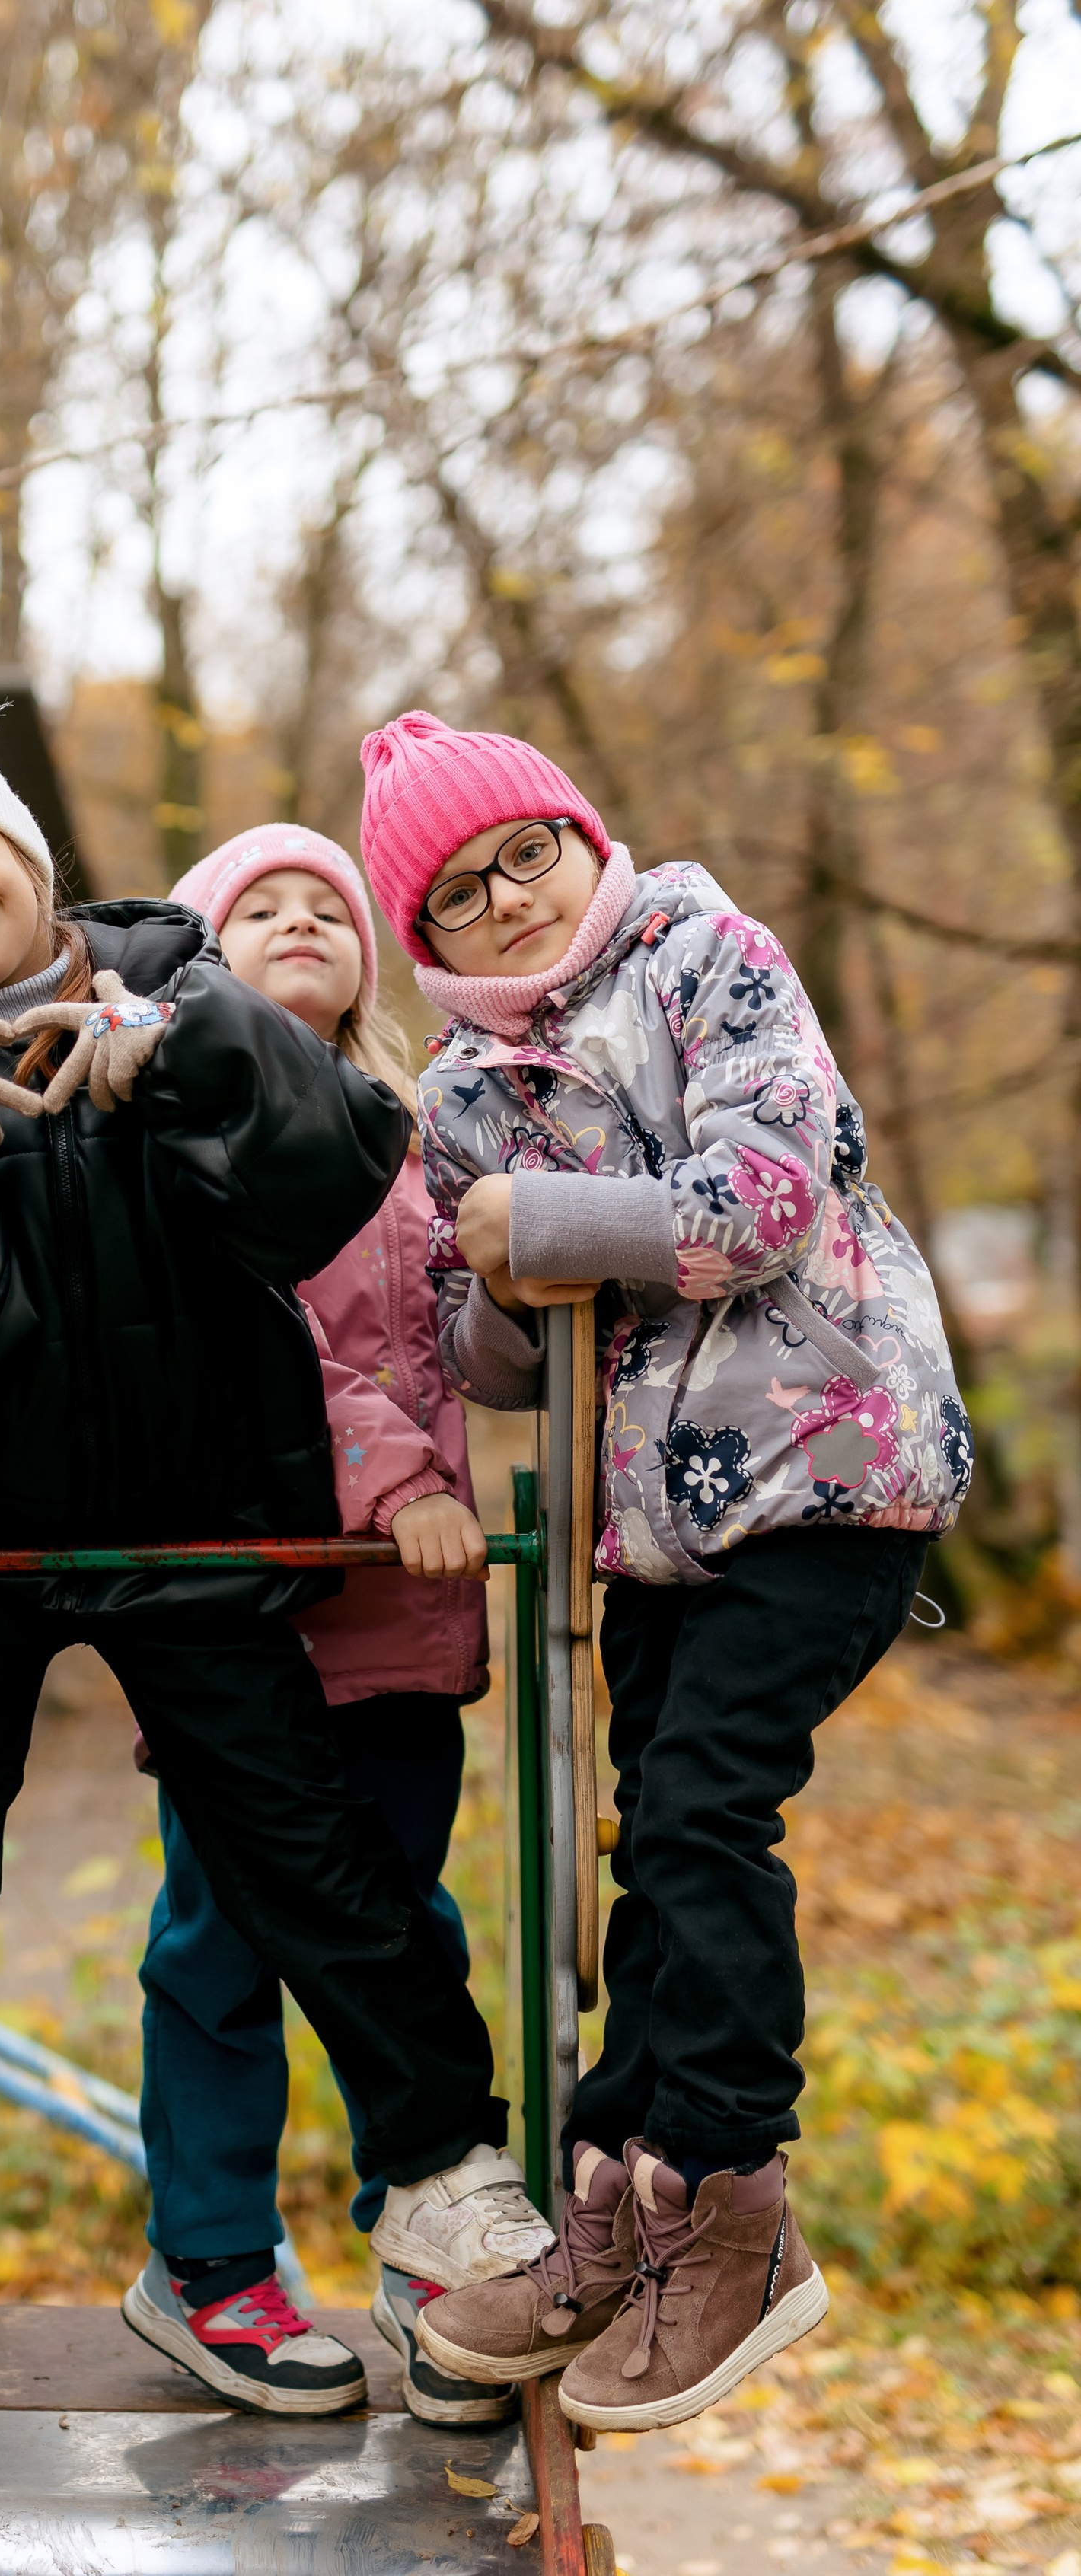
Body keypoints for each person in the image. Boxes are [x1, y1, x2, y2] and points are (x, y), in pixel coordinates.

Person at [0, 674, 548, 2415]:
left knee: (306, 1849)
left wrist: (173, 1057)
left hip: (196, 1511)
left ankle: (442, 2171)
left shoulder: (187, 992)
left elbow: (340, 1169)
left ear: (22, 850)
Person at [354, 715, 970, 2432]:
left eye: (520, 857)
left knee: (703, 1808)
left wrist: (536, 1230)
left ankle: (735, 2198)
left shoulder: (706, 956)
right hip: (658, 1516)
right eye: (458, 898)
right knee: (644, 1835)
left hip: (826, 1466)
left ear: (578, 835)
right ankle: (615, 2204)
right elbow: (487, 1360)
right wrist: (490, 1267)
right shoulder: (465, 1091)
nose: (503, 904)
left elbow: (762, 1198)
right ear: (428, 939)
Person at [132, 823, 530, 2428]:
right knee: (219, 1951)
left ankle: (428, 2229)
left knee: (398, 1926)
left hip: (399, 1618)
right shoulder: (182, 1124)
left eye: (327, 907)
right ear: (203, 962)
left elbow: (458, 1327)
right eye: (258, 907)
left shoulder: (413, 1129)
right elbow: (247, 1336)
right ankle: (206, 2259)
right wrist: (385, 1478)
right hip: (243, 1614)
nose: (301, 921)